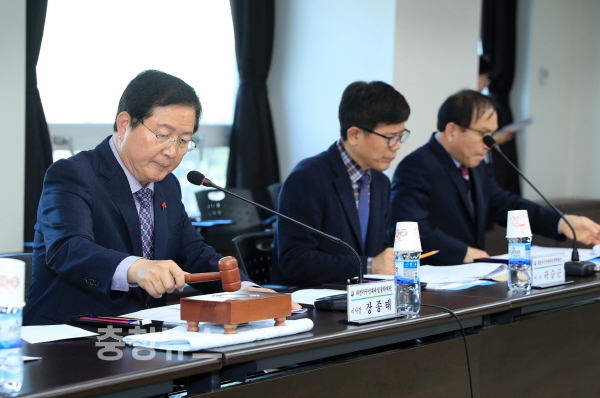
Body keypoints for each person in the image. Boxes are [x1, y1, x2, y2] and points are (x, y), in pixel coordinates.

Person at [24, 70, 298, 325]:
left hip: (142, 335)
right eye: (163, 135)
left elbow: (194, 253)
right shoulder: (73, 174)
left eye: (183, 141)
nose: (171, 151)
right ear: (125, 124)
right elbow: (68, 248)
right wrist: (136, 268)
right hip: (70, 334)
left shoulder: (167, 186)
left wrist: (249, 291)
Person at [388, 89, 600, 265]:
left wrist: (561, 222)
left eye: (492, 134)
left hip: (472, 278)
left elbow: (504, 205)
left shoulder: (475, 164)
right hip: (432, 282)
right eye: (483, 134)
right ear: (452, 131)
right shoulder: (417, 166)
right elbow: (408, 229)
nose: (490, 143)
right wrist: (462, 252)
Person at [273, 81, 411, 287]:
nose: (397, 146)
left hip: (366, 296)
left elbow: (378, 250)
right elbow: (294, 260)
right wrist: (369, 266)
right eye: (390, 137)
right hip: (313, 298)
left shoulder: (381, 182)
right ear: (354, 135)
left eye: (400, 136)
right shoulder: (307, 179)